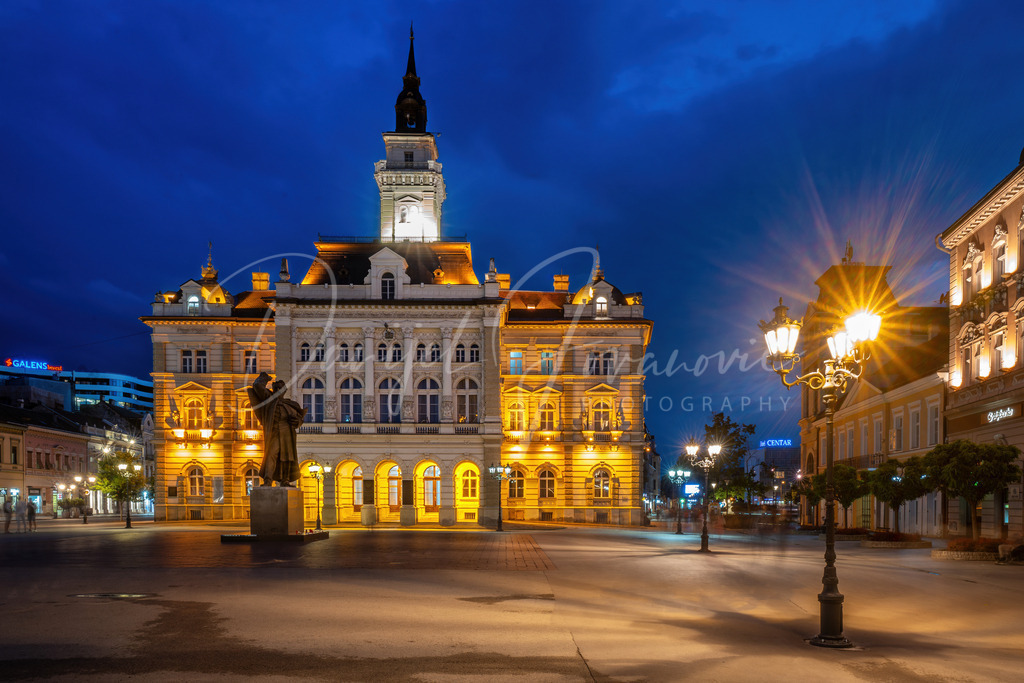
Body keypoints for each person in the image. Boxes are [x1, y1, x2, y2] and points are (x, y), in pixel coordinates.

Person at [247, 372, 305, 487]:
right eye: (276, 388)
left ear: (284, 391)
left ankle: (285, 480)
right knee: (271, 455)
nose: (278, 390)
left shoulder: (291, 404)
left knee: (287, 457)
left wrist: (297, 422)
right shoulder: (269, 400)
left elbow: (299, 418)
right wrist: (264, 378)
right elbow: (257, 386)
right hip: (273, 432)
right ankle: (268, 480)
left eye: (280, 388)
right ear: (273, 390)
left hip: (287, 433)